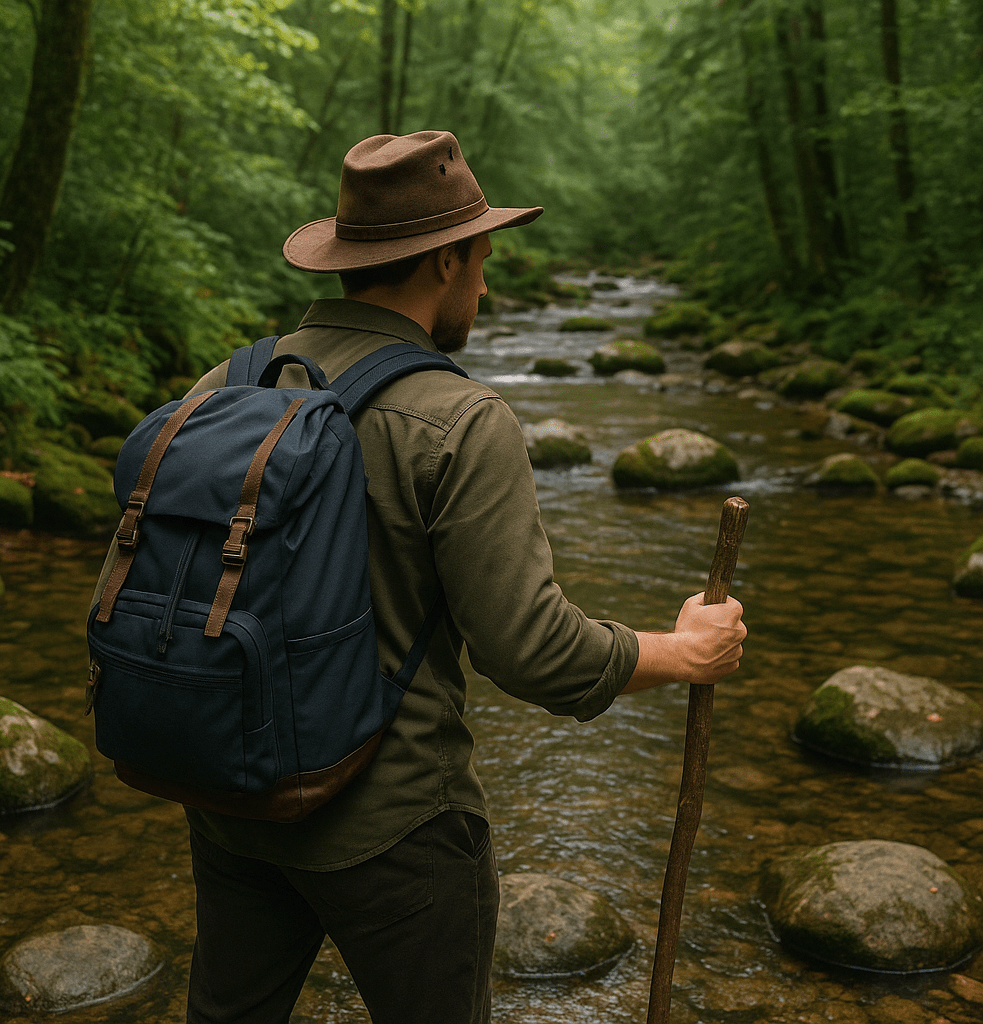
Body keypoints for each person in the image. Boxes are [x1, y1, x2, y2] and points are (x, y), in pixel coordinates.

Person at [180, 130, 746, 1024]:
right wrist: (682, 651)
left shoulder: (224, 386)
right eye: (481, 260)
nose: (486, 285)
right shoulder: (459, 417)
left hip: (229, 801)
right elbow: (532, 653)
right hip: (396, 830)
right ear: (444, 261)